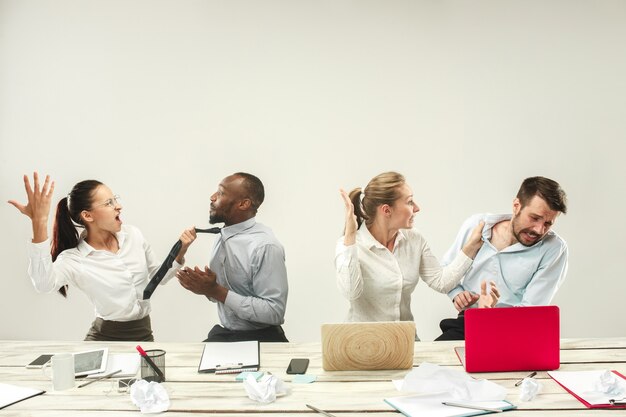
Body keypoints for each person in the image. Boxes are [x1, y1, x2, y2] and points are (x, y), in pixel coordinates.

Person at [8, 172, 195, 341]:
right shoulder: (75, 259)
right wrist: (38, 221)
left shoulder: (134, 236)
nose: (119, 207)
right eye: (109, 203)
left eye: (115, 200)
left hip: (144, 335)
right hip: (104, 338)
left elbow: (158, 277)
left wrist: (181, 251)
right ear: (88, 216)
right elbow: (43, 284)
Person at [335, 171, 494, 339]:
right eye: (410, 202)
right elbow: (351, 292)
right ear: (386, 210)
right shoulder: (349, 246)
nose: (417, 208)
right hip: (364, 343)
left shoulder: (414, 239)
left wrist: (471, 247)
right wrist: (350, 236)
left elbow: (441, 282)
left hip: (405, 342)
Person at [435, 176, 568, 341]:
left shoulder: (554, 249)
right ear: (516, 206)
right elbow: (447, 267)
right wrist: (456, 293)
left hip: (514, 332)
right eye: (534, 218)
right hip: (468, 323)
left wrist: (492, 316)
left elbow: (530, 311)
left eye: (548, 223)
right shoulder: (478, 226)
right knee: (430, 364)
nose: (539, 230)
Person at [176, 173, 289, 342]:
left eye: (221, 193)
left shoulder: (265, 246)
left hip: (263, 341)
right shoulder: (223, 235)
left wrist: (216, 290)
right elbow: (224, 294)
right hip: (228, 335)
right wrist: (206, 288)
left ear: (244, 204)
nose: (212, 197)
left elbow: (274, 311)